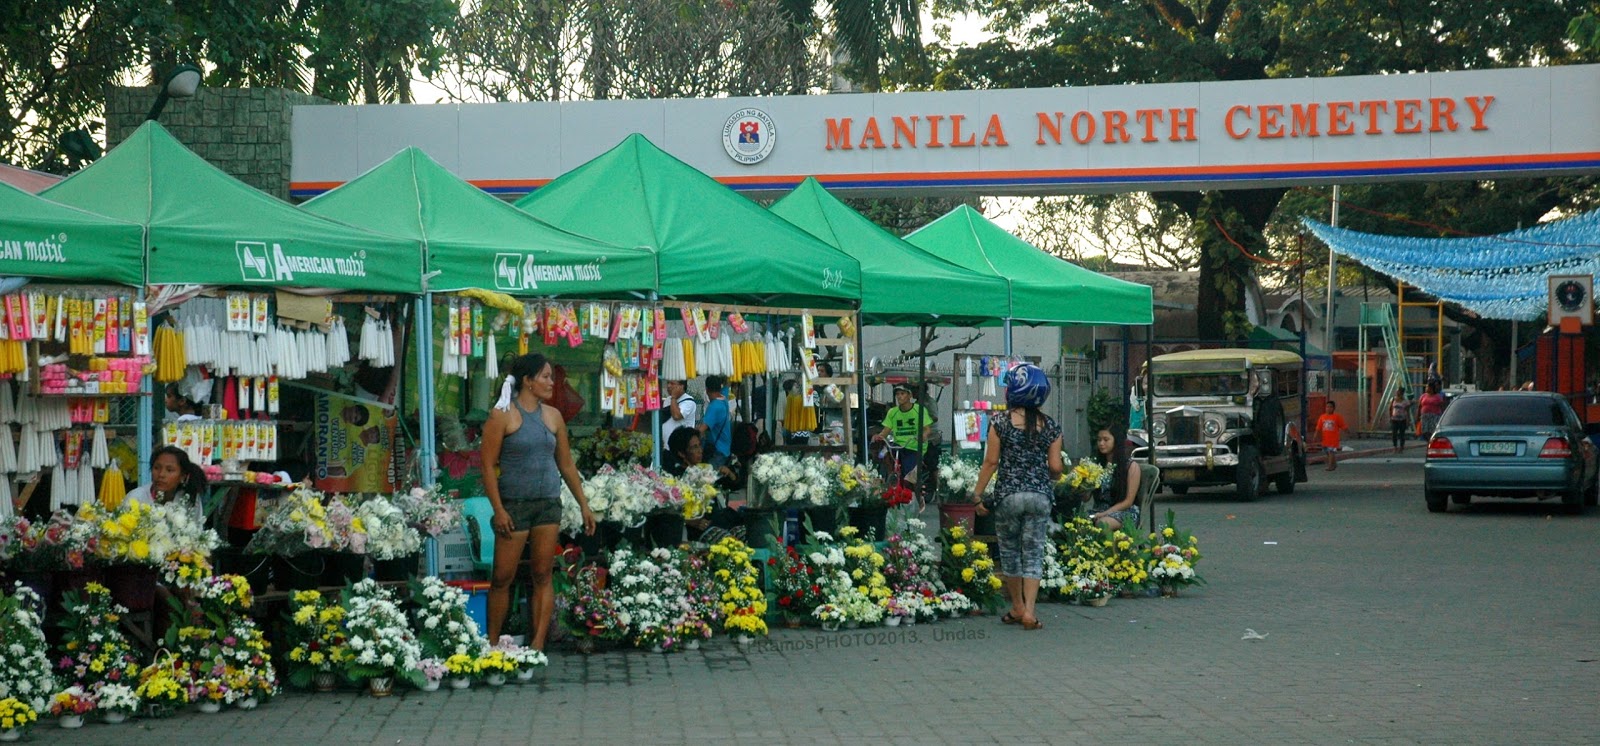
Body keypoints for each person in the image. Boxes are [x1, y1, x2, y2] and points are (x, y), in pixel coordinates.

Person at [481, 353, 596, 650]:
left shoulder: (554, 416)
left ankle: (537, 645)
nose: (551, 382)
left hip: (548, 503)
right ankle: (492, 645)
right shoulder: (502, 414)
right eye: (545, 377)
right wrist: (498, 509)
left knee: (543, 573)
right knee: (502, 577)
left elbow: (567, 465)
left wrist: (583, 504)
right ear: (528, 381)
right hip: (514, 505)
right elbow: (487, 466)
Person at [973, 364, 1063, 632]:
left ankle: (1017, 606)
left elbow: (991, 462)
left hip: (1009, 497)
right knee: (1033, 553)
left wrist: (977, 495)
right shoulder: (1051, 426)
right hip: (1039, 497)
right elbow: (1056, 468)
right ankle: (1030, 613)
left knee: (1011, 553)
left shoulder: (999, 423)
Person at [667, 428, 744, 543]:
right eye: (694, 447)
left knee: (746, 534)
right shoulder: (676, 478)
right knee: (732, 543)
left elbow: (736, 485)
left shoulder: (705, 469)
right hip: (699, 527)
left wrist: (730, 474)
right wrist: (690, 521)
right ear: (682, 453)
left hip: (720, 520)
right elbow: (669, 511)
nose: (700, 451)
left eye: (699, 445)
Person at [125, 445, 209, 523]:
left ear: (183, 476)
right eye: (156, 468)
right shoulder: (136, 498)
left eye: (169, 470)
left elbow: (196, 533)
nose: (161, 474)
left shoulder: (190, 498)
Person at [874, 384, 935, 485]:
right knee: (883, 454)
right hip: (898, 445)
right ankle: (890, 476)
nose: (899, 397)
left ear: (909, 396)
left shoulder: (919, 410)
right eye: (897, 394)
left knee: (908, 472)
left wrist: (923, 435)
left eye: (902, 394)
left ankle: (911, 489)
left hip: (914, 446)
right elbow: (886, 431)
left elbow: (927, 429)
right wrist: (879, 436)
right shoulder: (892, 412)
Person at [1085, 423, 1141, 531]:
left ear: (1116, 441)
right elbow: (1086, 498)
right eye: (1099, 440)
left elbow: (1128, 501)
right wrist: (1082, 486)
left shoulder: (1130, 466)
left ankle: (1109, 548)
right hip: (1099, 510)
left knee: (1103, 523)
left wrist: (1105, 513)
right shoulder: (1096, 465)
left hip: (1124, 511)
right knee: (1075, 520)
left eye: (1106, 440)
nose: (1101, 443)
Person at [660, 378, 697, 473]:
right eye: (668, 383)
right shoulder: (668, 400)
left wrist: (673, 398)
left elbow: (676, 415)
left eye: (672, 383)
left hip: (681, 452)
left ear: (681, 386)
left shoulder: (689, 402)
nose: (668, 386)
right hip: (667, 449)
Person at [698, 374, 732, 468]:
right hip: (725, 448)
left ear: (707, 389)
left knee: (709, 478)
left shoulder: (714, 407)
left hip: (718, 452)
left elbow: (701, 429)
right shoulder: (723, 397)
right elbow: (727, 383)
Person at [1315, 400, 1349, 471]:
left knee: (1331, 452)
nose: (1328, 408)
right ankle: (1334, 464)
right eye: (1327, 407)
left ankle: (1330, 466)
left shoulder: (1337, 417)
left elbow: (1343, 426)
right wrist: (1315, 435)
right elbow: (1318, 427)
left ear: (1334, 408)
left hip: (1333, 439)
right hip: (1325, 439)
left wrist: (1347, 432)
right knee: (1327, 452)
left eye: (1330, 407)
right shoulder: (1322, 417)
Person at [1389, 388, 1411, 454]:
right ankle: (1395, 447)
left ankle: (1401, 447)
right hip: (1394, 419)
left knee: (1402, 434)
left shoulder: (1405, 401)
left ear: (1402, 393)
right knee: (1394, 434)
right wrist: (1390, 417)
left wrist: (1408, 420)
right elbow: (1390, 408)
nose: (1397, 393)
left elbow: (1407, 411)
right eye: (1397, 391)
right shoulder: (1393, 399)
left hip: (1402, 419)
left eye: (1399, 392)